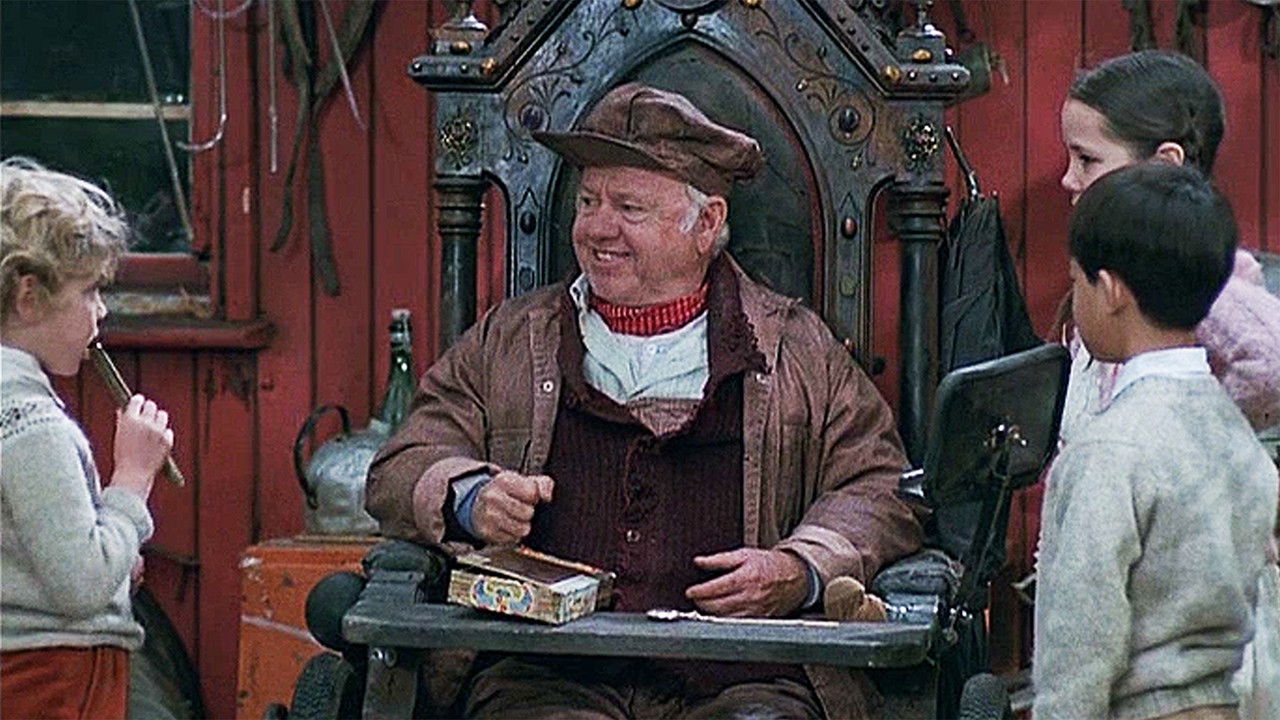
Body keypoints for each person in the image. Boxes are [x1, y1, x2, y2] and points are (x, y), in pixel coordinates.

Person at [367, 83, 922, 719]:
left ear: (706, 224)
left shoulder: (795, 349)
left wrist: (801, 569)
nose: (596, 228)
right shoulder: (511, 340)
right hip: (544, 675)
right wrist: (469, 498)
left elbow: (881, 486)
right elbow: (400, 464)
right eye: (588, 202)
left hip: (743, 677)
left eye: (628, 207)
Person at [1032, 162, 1278, 719]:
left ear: (1110, 290)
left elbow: (1080, 644)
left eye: (1077, 281)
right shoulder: (1235, 435)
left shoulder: (1108, 452)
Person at [0, 157, 174, 719]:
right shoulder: (31, 426)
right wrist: (133, 479)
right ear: (29, 295)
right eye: (89, 291)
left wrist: (115, 555)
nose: (101, 311)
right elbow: (81, 584)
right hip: (54, 680)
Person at [1057, 49, 1280, 436]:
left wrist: (1188, 428)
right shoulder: (1113, 267)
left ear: (1163, 164)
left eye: (1087, 159)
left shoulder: (1195, 275)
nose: (1068, 179)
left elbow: (1273, 362)